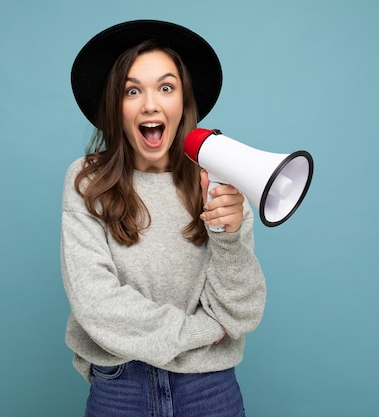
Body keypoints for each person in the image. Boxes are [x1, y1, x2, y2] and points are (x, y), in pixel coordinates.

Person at [61, 20, 266, 417]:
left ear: (183, 101)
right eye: (132, 90)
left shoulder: (219, 181)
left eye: (166, 88)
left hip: (210, 388)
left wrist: (229, 233)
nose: (150, 105)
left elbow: (243, 311)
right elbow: (96, 304)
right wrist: (203, 332)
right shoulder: (87, 181)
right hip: (121, 387)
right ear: (115, 106)